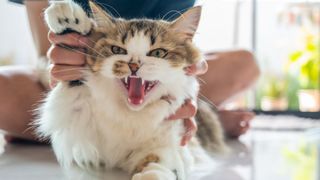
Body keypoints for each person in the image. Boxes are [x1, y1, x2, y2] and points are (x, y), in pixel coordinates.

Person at [1, 0, 259, 143]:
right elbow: (45, 55)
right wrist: (64, 71)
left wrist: (182, 82)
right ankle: (202, 123)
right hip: (82, 83)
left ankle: (61, 136)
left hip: (146, 84)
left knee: (244, 63)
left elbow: (174, 44)